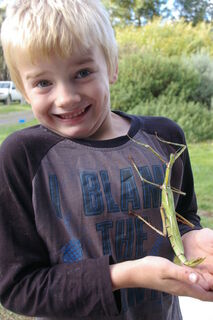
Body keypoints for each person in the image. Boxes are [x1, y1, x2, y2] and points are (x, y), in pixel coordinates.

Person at [0, 1, 213, 319]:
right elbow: (17, 286)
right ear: (22, 89)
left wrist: (192, 237)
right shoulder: (22, 157)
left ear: (112, 67)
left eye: (82, 72)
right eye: (43, 82)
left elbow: (183, 217)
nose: (66, 97)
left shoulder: (165, 137)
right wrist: (122, 275)